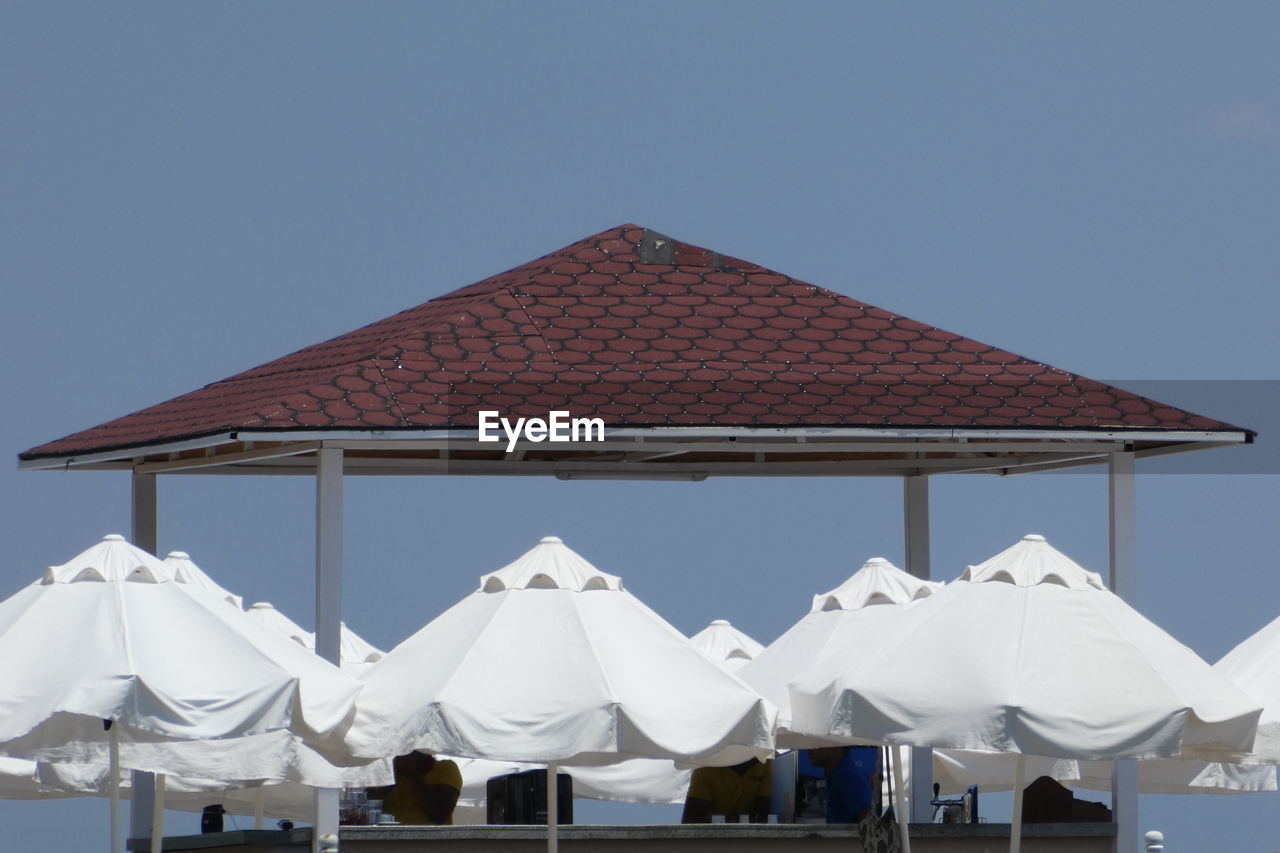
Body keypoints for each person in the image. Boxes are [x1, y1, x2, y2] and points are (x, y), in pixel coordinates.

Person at [368, 751, 462, 825]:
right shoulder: (391, 774)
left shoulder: (445, 768)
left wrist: (412, 773)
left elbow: (440, 815)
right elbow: (367, 809)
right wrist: (393, 776)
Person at [681, 757, 772, 823]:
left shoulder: (766, 761)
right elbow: (690, 821)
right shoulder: (705, 767)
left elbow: (765, 816)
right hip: (711, 841)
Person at [805, 746, 880, 823]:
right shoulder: (836, 775)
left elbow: (868, 819)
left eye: (817, 743)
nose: (809, 749)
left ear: (834, 746)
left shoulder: (846, 775)